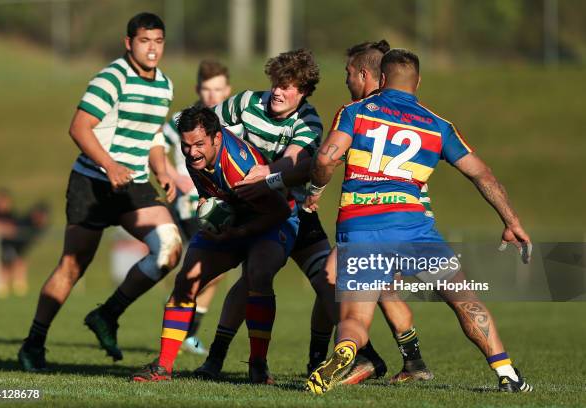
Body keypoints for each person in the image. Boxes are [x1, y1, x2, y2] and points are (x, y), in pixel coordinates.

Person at [305, 49, 533, 394]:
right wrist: (511, 221)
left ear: (381, 80)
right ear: (418, 82)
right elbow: (482, 174)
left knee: (355, 317)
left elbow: (326, 158)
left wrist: (316, 189)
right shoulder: (439, 126)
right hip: (414, 228)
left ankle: (346, 350)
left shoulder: (355, 112)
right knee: (464, 299)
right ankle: (507, 373)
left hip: (361, 227)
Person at [194, 49, 387, 383]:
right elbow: (205, 129)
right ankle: (217, 358)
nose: (278, 92)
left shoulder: (309, 122)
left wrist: (263, 174)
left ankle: (353, 356)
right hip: (251, 210)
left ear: (304, 91)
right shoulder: (246, 103)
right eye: (276, 84)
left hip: (293, 213)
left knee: (326, 282)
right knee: (253, 277)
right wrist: (208, 185)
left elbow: (293, 163)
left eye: (288, 86)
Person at [18, 12, 182, 371]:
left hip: (133, 184)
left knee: (169, 249)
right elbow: (79, 127)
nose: (152, 49)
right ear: (129, 43)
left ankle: (108, 314)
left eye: (158, 41)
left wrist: (163, 170)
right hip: (92, 182)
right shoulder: (112, 78)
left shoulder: (165, 85)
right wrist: (109, 165)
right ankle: (34, 342)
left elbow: (153, 134)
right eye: (144, 41)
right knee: (74, 265)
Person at [132, 106, 298, 384]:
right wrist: (206, 209)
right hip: (234, 219)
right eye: (186, 145)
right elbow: (209, 192)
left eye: (199, 144)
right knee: (186, 281)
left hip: (273, 221)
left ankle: (258, 365)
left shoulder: (239, 170)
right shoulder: (194, 156)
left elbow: (279, 210)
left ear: (217, 138)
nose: (192, 152)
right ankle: (162, 367)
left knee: (259, 274)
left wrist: (236, 233)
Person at [341, 40, 434, 383]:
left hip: (380, 219)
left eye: (349, 73)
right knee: (382, 288)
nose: (346, 81)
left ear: (367, 74)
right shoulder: (398, 111)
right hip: (406, 216)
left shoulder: (364, 113)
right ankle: (413, 363)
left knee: (334, 277)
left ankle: (359, 356)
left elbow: (326, 159)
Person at [161, 60, 232, 355]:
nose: (212, 95)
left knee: (217, 272)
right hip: (193, 204)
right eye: (207, 89)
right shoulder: (182, 119)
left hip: (222, 202)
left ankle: (187, 329)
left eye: (218, 89)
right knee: (206, 265)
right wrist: (172, 175)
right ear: (197, 89)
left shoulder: (231, 120)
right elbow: (154, 144)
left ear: (228, 90)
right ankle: (183, 327)